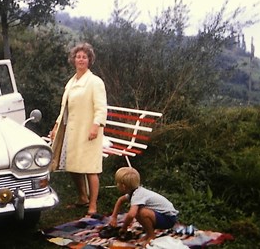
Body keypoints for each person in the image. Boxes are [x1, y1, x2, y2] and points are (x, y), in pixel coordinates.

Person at [49, 42, 108, 216]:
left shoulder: (95, 82)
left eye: (84, 57)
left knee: (91, 168)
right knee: (73, 166)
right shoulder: (71, 82)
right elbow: (64, 108)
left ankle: (93, 205)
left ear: (89, 60)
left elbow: (101, 108)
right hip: (72, 131)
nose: (81, 59)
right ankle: (82, 198)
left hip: (89, 131)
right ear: (73, 59)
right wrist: (56, 127)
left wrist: (95, 126)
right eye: (78, 56)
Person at [107, 167, 179, 246]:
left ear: (123, 186)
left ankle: (151, 235)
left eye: (117, 183)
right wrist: (114, 217)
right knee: (139, 211)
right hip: (161, 216)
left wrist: (124, 227)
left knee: (141, 212)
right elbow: (120, 200)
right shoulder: (134, 192)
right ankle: (149, 233)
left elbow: (131, 215)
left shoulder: (138, 195)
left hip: (168, 219)